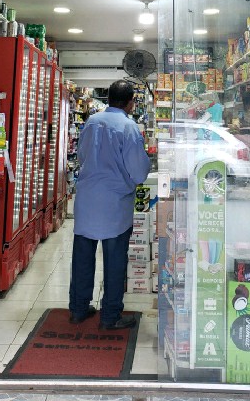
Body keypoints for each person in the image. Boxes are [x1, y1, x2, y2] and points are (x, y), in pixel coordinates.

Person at [69, 79, 150, 329]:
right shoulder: (129, 127)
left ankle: (78, 309)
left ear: (109, 99)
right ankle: (110, 316)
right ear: (130, 102)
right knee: (114, 263)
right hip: (114, 205)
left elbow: (82, 155)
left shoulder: (92, 122)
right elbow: (139, 172)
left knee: (82, 259)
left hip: (87, 200)